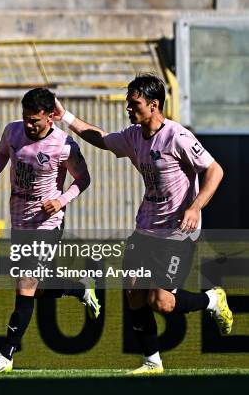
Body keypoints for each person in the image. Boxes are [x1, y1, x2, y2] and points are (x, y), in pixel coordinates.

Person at [55, 73, 232, 374]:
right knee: (133, 291)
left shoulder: (177, 136)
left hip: (178, 231)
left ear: (154, 105)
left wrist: (195, 206)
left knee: (161, 302)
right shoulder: (133, 135)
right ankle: (152, 361)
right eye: (127, 103)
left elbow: (215, 170)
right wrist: (65, 116)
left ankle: (212, 300)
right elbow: (101, 138)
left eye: (133, 103)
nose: (128, 108)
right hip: (145, 227)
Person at [0, 88, 98, 374]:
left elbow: (83, 179)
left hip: (47, 222)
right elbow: (1, 153)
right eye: (26, 118)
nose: (29, 125)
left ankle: (6, 354)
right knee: (35, 288)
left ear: (50, 117)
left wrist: (61, 200)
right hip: (19, 217)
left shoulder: (64, 145)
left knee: (25, 283)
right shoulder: (12, 132)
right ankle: (77, 288)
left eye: (35, 120)